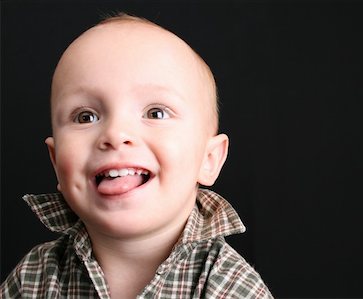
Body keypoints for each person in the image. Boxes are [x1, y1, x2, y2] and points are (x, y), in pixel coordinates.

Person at [1, 13, 273, 298]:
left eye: (155, 112)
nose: (115, 133)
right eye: (85, 116)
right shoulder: (35, 276)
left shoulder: (228, 285)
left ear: (209, 159)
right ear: (57, 164)